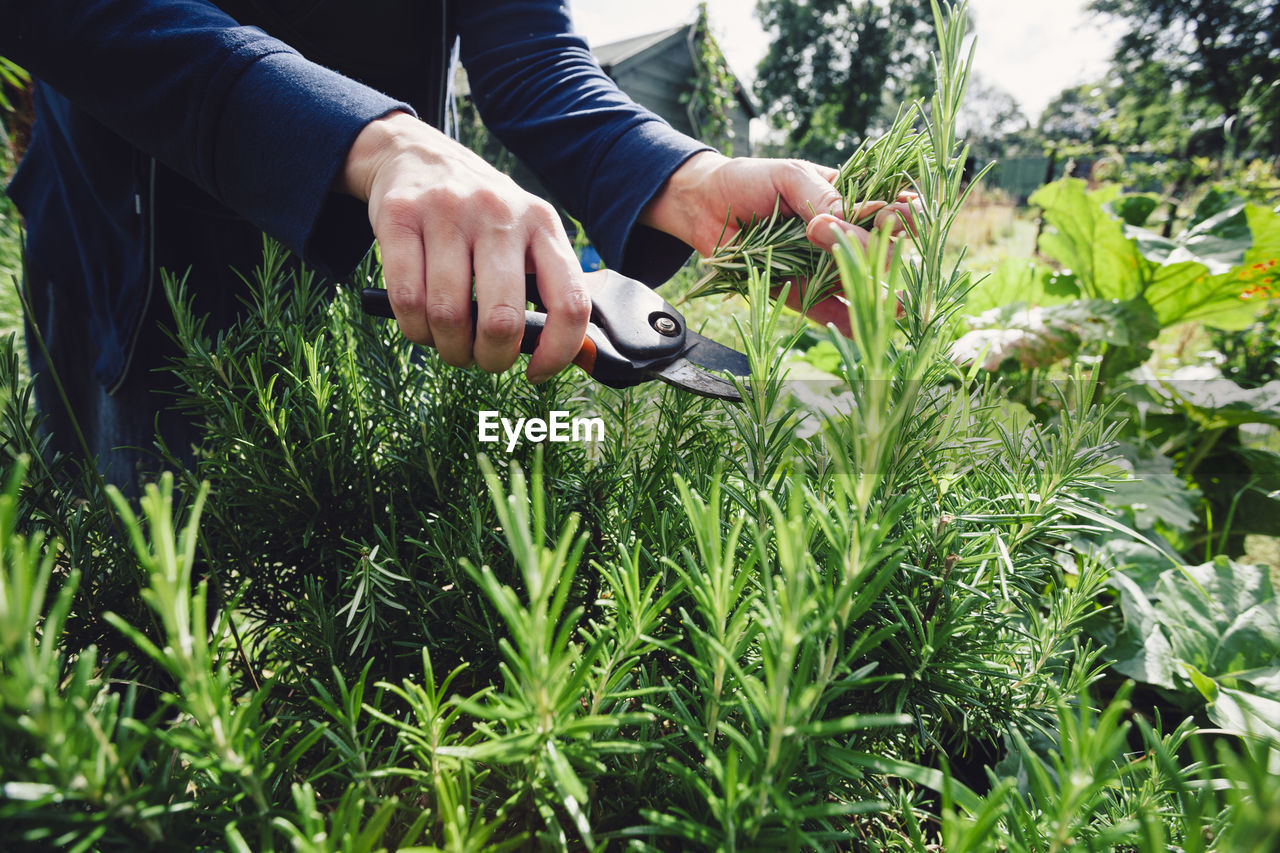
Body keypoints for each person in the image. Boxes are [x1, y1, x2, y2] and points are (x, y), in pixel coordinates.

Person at [1, 0, 913, 489]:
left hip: (381, 267)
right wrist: (379, 140)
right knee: (128, 630)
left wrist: (692, 182)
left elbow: (531, 56)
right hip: (127, 256)